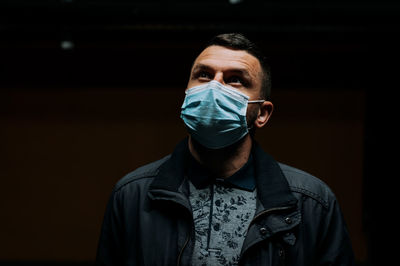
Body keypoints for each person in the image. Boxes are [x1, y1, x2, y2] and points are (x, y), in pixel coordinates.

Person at [95, 33, 355, 266]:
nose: (213, 88)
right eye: (204, 75)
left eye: (234, 80)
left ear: (262, 113)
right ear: (187, 94)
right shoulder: (132, 195)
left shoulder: (311, 203)